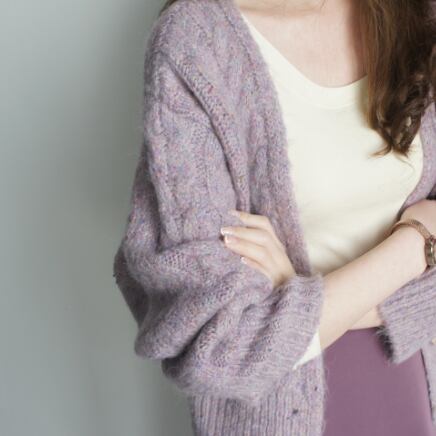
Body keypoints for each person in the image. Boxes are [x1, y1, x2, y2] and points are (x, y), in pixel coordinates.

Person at [112, 0, 436, 434]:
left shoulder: (417, 13)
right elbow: (218, 346)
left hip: (408, 390)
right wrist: (416, 245)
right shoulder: (197, 41)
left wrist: (294, 295)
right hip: (271, 414)